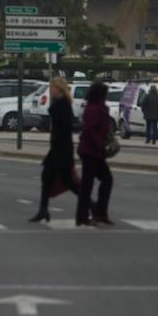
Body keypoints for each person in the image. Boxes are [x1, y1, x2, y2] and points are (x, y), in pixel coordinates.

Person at [29, 77, 79, 223]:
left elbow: (65, 126)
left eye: (52, 87)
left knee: (69, 182)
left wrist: (56, 140)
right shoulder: (61, 103)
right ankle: (43, 210)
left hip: (61, 148)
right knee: (47, 177)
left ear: (58, 88)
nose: (50, 90)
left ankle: (93, 206)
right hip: (58, 147)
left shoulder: (63, 104)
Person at [76, 80, 115, 227]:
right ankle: (91, 215)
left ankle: (96, 214)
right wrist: (100, 145)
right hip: (90, 151)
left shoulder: (99, 108)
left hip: (93, 151)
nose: (107, 96)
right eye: (106, 93)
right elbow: (90, 130)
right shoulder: (94, 109)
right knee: (96, 182)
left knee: (96, 182)